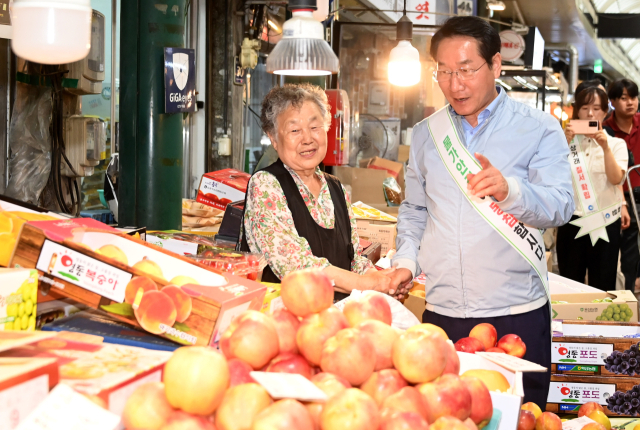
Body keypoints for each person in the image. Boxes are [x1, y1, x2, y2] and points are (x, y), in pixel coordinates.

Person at [388, 16, 574, 406]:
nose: (455, 84)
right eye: (444, 71)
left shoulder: (539, 128)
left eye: (467, 70)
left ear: (495, 66)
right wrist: (405, 261)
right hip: (442, 312)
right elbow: (415, 209)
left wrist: (511, 191)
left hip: (515, 313)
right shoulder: (426, 134)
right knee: (443, 414)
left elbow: (561, 205)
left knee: (518, 416)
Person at [240, 83, 394, 300]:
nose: (307, 139)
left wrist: (380, 279)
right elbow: (297, 266)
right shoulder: (266, 185)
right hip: (289, 322)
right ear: (273, 138)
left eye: (315, 127)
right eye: (294, 130)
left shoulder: (336, 188)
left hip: (338, 321)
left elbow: (355, 258)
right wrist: (367, 284)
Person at [556, 86, 628, 290]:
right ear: (576, 110)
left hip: (604, 221)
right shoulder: (562, 142)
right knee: (570, 283)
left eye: (596, 108)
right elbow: (551, 176)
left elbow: (616, 179)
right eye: (585, 107)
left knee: (603, 284)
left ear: (605, 112)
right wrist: (563, 142)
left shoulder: (616, 144)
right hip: (571, 220)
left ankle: (600, 323)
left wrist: (605, 148)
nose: (590, 113)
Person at [603, 78, 640, 291]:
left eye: (633, 97)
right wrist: (622, 202)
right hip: (621, 200)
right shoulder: (605, 130)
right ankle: (627, 296)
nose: (630, 102)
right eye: (624, 98)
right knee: (627, 254)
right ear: (613, 102)